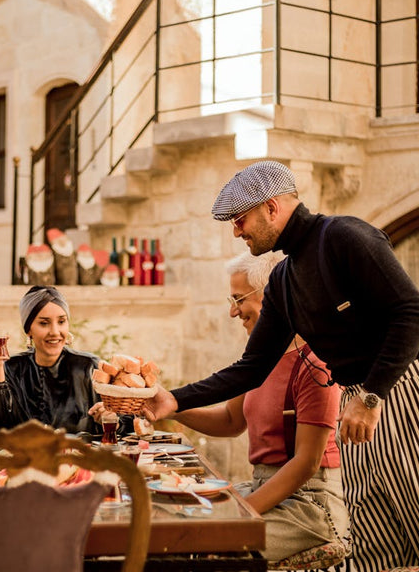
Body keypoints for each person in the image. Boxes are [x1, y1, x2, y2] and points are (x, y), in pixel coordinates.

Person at [143, 160, 419, 572]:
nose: (237, 231)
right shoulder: (284, 280)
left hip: (396, 391)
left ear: (272, 208)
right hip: (356, 405)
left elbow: (410, 311)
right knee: (376, 547)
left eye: (241, 220)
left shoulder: (345, 235)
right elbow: (250, 368)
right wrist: (171, 400)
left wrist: (372, 395)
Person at [173, 250, 348, 562]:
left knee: (210, 549)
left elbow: (306, 463)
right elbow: (229, 421)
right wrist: (169, 405)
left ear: (272, 294)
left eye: (239, 299)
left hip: (308, 506)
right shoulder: (260, 358)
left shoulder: (315, 363)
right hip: (264, 485)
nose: (233, 311)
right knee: (183, 522)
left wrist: (242, 510)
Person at [0, 285, 102, 435]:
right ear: (29, 330)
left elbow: (121, 427)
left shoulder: (89, 367)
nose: (55, 332)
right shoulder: (11, 369)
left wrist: (109, 418)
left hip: (80, 457)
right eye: (44, 323)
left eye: (61, 321)